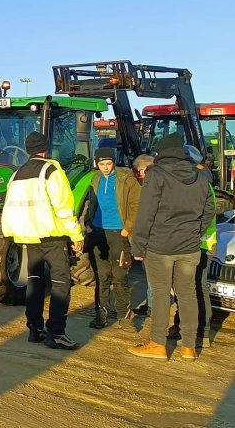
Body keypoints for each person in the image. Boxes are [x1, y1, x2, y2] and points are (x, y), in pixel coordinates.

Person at [128, 134, 215, 362]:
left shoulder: (156, 174)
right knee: (188, 294)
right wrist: (194, 233)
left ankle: (157, 343)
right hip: (189, 247)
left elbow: (146, 214)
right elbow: (208, 212)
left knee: (160, 293)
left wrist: (138, 246)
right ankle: (188, 347)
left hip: (160, 246)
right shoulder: (201, 176)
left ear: (161, 152)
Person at [2, 131, 84, 350]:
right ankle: (56, 333)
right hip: (52, 238)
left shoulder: (17, 174)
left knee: (35, 283)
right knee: (60, 283)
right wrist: (76, 236)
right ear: (45, 149)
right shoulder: (51, 170)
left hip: (28, 238)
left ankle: (35, 329)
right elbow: (64, 208)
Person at [85, 148, 141, 332]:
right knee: (102, 277)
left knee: (120, 277)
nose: (106, 168)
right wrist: (87, 224)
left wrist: (127, 228)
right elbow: (89, 203)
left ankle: (124, 317)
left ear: (114, 163)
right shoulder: (94, 179)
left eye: (109, 164)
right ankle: (101, 315)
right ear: (97, 164)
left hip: (119, 233)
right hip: (98, 232)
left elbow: (136, 204)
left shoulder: (126, 180)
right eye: (102, 164)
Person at [169, 145, 217, 348]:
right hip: (195, 242)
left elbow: (205, 215)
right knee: (188, 288)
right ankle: (185, 327)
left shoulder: (202, 183)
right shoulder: (201, 181)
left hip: (199, 243)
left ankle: (201, 332)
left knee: (195, 288)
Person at [131, 154, 156, 316]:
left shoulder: (149, 188)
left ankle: (153, 307)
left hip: (153, 240)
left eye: (137, 172)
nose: (136, 176)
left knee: (153, 275)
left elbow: (146, 218)